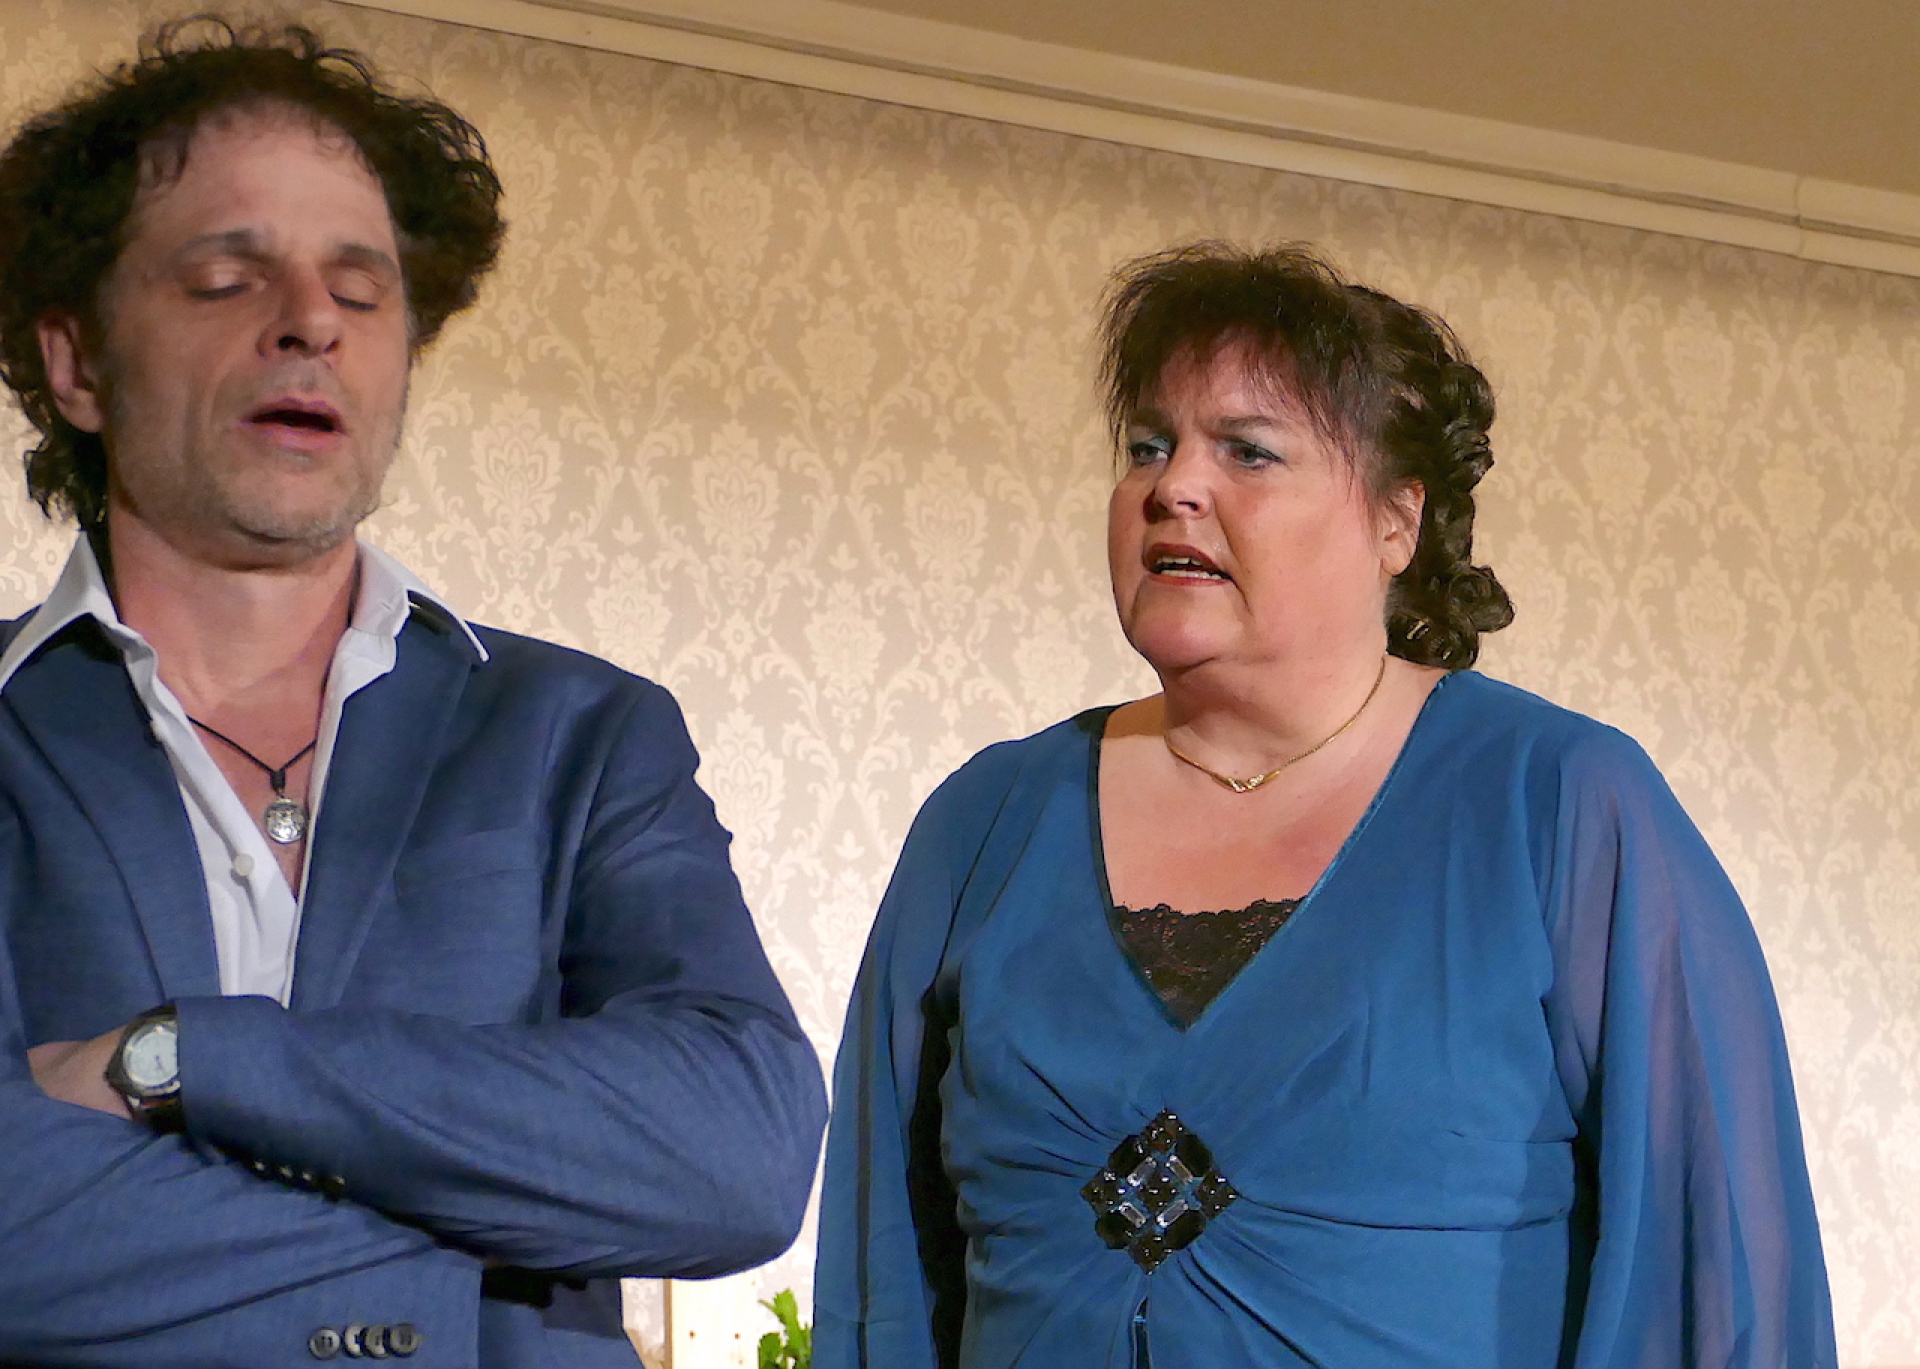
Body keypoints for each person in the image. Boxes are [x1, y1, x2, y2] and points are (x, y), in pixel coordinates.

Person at [815, 243, 1834, 1367]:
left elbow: (1715, 1282)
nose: (1173, 487)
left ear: (1397, 521)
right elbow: (882, 1284)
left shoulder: (1563, 806)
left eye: (1248, 450)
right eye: (1149, 445)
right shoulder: (982, 823)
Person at [0, 19, 825, 1367]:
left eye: (362, 289)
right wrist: (502, 1232)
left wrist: (183, 1060)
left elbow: (741, 1149)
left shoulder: (585, 735)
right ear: (78, 365)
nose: (310, 321)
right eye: (225, 278)